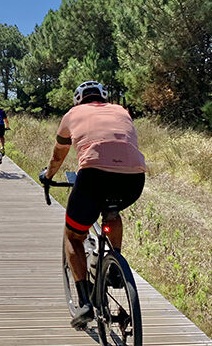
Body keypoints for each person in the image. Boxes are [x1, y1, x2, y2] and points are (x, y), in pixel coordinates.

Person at [38, 81, 146, 330]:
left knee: (74, 236)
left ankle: (85, 303)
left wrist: (48, 175)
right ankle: (116, 261)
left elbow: (59, 154)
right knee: (112, 211)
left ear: (78, 100)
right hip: (133, 179)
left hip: (93, 176)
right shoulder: (121, 110)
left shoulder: (72, 114)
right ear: (102, 97)